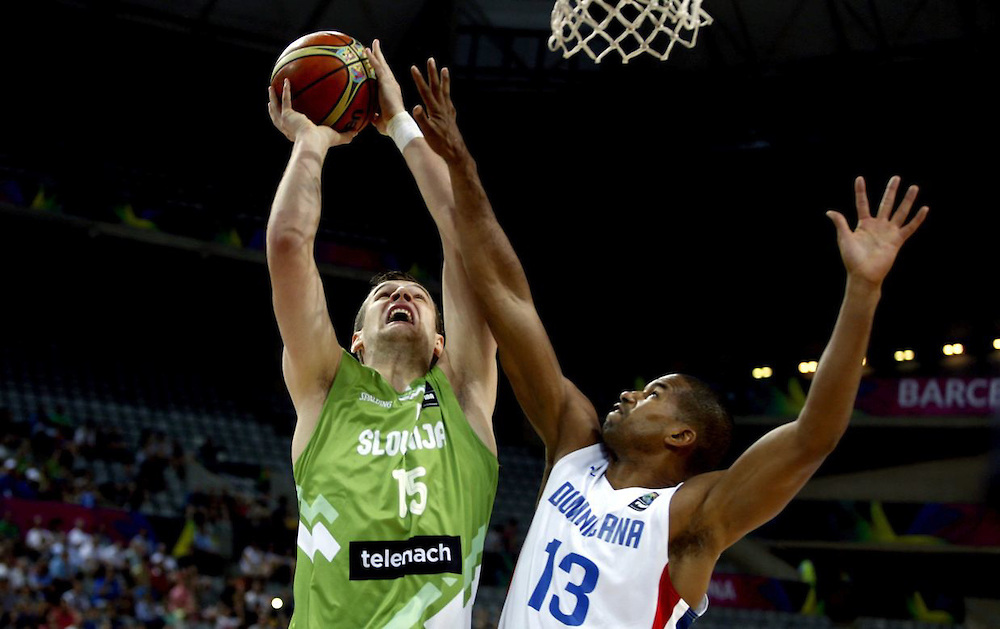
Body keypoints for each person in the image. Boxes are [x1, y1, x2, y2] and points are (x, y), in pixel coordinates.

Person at [407, 60, 929, 627]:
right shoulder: (573, 446)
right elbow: (510, 301)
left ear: (683, 435)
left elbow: (812, 437)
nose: (630, 396)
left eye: (653, 393)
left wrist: (863, 291)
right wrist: (462, 166)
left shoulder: (689, 518)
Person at [265, 39, 500, 627]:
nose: (402, 295)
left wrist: (399, 122)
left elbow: (465, 239)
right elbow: (288, 248)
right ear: (357, 341)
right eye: (384, 296)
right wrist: (311, 143)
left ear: (442, 342)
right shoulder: (324, 388)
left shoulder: (465, 391)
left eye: (419, 296)